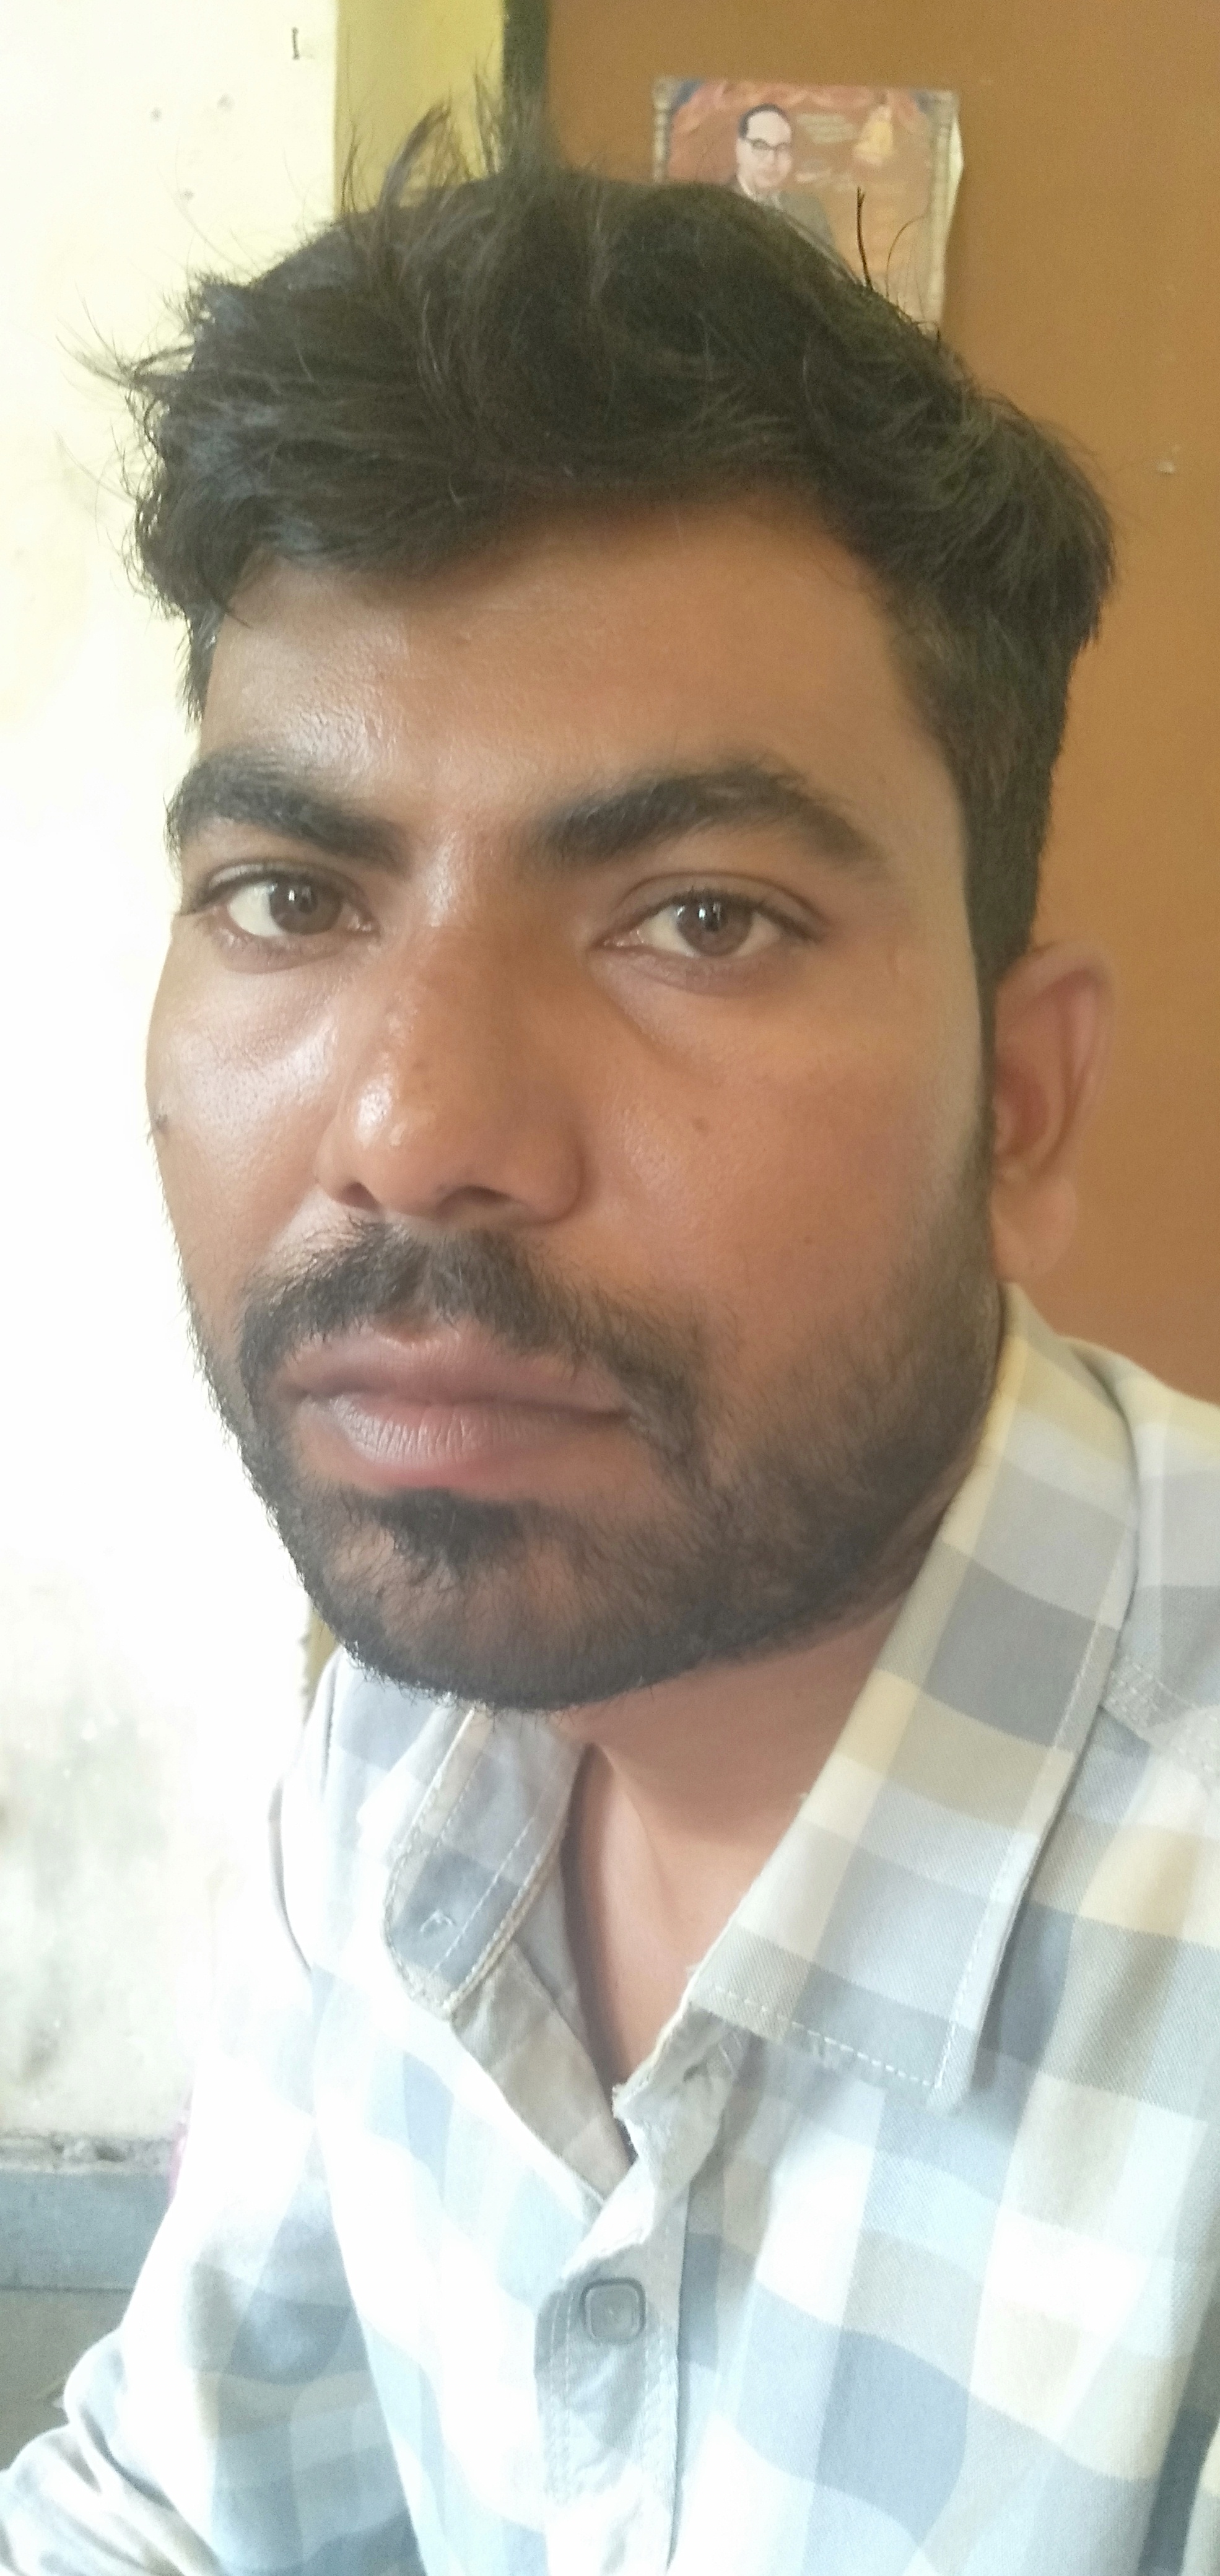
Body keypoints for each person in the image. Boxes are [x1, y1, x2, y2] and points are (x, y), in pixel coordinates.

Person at [2, 110, 1219, 2576]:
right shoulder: (415, 1701)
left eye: (700, 917)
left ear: (1020, 1102)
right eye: (290, 893)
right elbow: (196, 2502)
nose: (413, 1132)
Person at [731, 98, 839, 257]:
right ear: (739, 149)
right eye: (760, 146)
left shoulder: (810, 210)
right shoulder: (714, 207)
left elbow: (830, 269)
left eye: (782, 149)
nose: (771, 160)